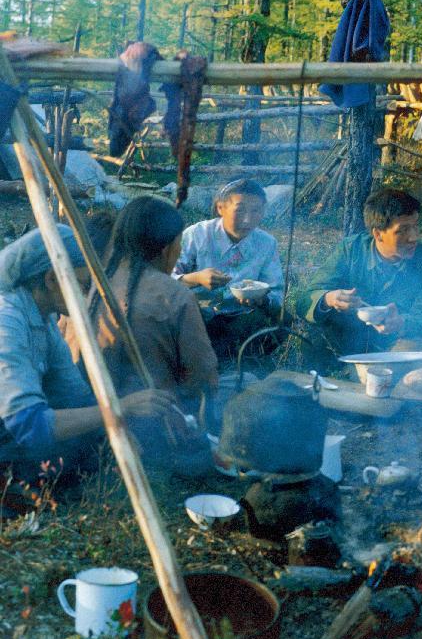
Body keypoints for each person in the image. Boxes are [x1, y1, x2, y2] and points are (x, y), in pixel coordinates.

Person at [0, 226, 175, 504]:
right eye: (83, 286)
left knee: (93, 446)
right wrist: (119, 409)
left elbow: (75, 396)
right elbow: (28, 426)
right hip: (11, 433)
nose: (89, 295)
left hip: (16, 429)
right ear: (50, 279)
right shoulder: (7, 320)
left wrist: (114, 430)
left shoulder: (43, 317)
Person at [65, 198, 219, 473]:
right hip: (151, 432)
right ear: (166, 248)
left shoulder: (85, 285)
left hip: (80, 420)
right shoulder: (175, 295)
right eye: (179, 243)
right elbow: (202, 377)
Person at [299, 188, 422, 355]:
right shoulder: (351, 250)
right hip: (344, 341)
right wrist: (329, 298)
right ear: (378, 234)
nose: (414, 237)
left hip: (396, 345)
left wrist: (402, 323)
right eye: (403, 230)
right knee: (315, 337)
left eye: (415, 226)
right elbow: (304, 301)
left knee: (418, 350)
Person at [172, 179, 284, 358]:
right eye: (239, 210)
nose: (247, 220)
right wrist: (196, 278)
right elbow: (164, 279)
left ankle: (246, 360)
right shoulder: (197, 235)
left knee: (283, 320)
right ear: (220, 208)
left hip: (241, 317)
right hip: (198, 317)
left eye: (256, 211)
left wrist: (261, 299)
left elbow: (276, 292)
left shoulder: (266, 243)